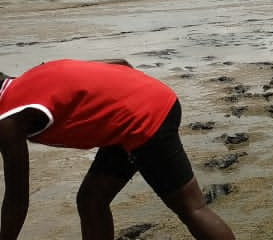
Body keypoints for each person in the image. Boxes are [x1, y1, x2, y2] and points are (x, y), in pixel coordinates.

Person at [0, 59, 235, 240]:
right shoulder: (29, 79)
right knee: (91, 199)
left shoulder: (8, 121)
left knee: (192, 208)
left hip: (145, 119)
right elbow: (120, 63)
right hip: (137, 111)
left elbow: (17, 199)